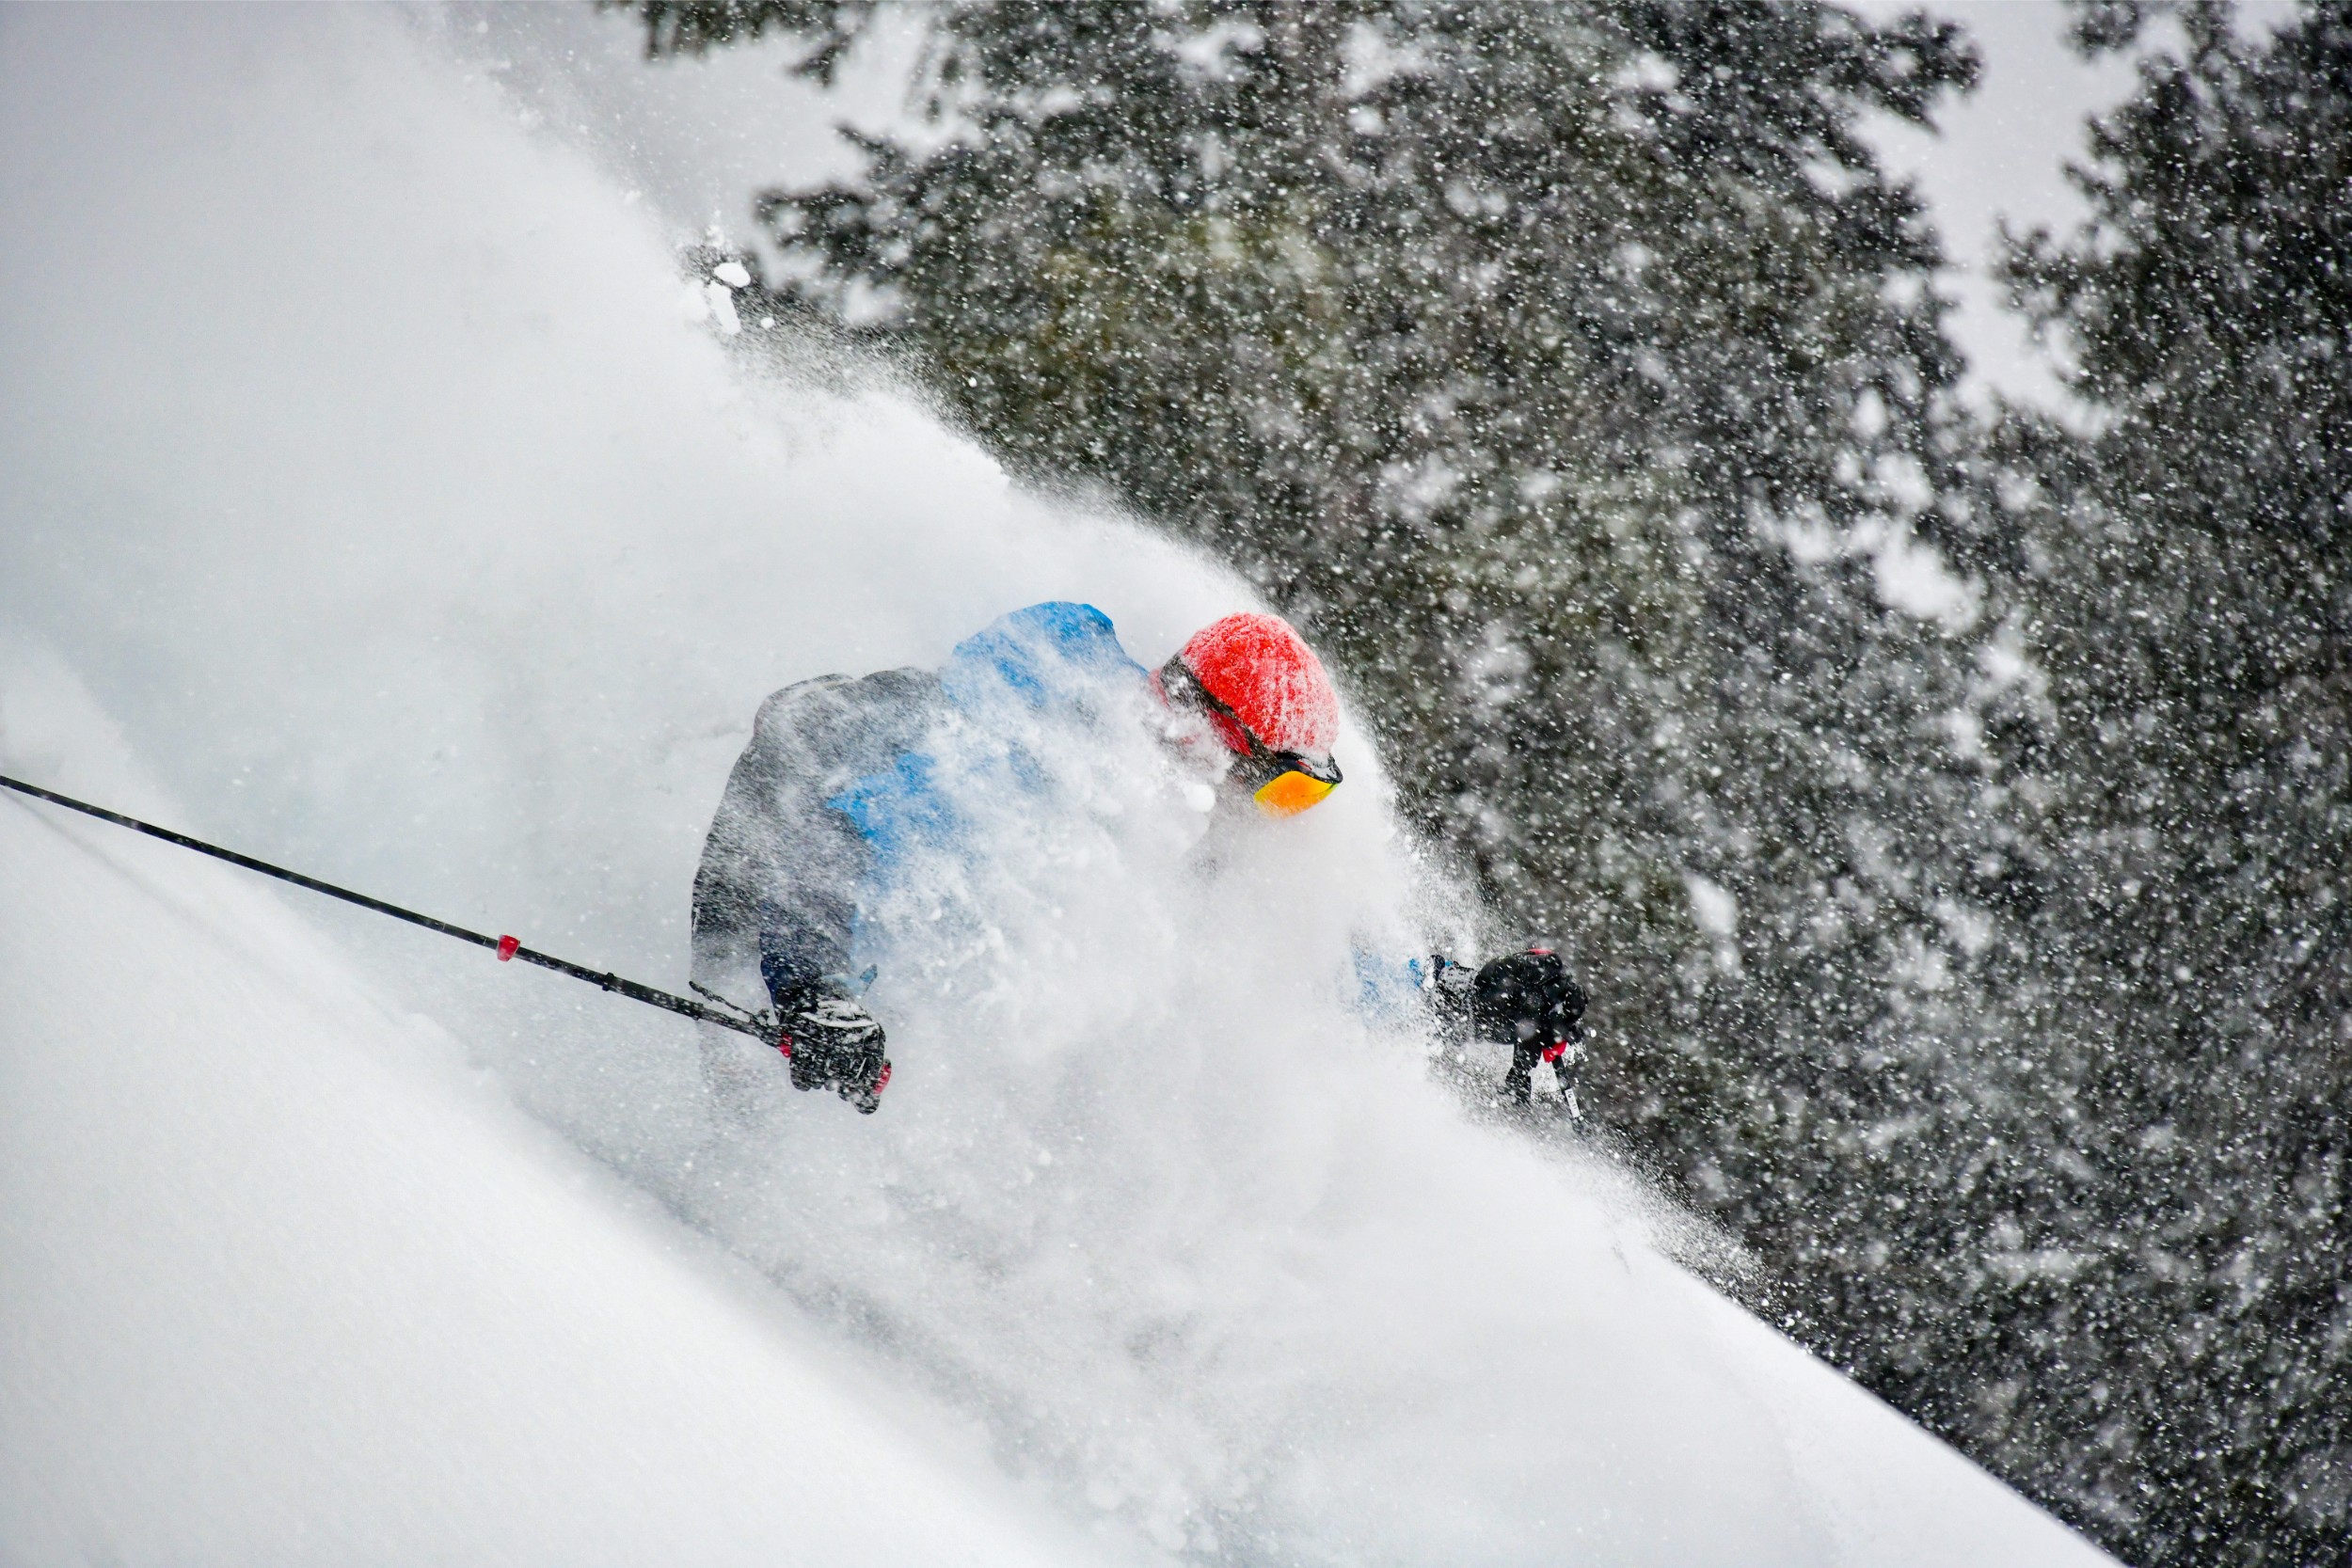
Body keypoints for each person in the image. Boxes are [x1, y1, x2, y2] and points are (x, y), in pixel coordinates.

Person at [689, 600, 1582, 1113]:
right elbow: (839, 828)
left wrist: (1466, 997)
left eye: (1300, 796)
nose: (1275, 815)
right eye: (1277, 786)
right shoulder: (1026, 743)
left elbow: (1308, 963)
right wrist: (812, 990)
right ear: (1204, 726)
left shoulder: (1192, 816)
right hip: (771, 883)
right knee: (766, 1110)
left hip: (846, 977)